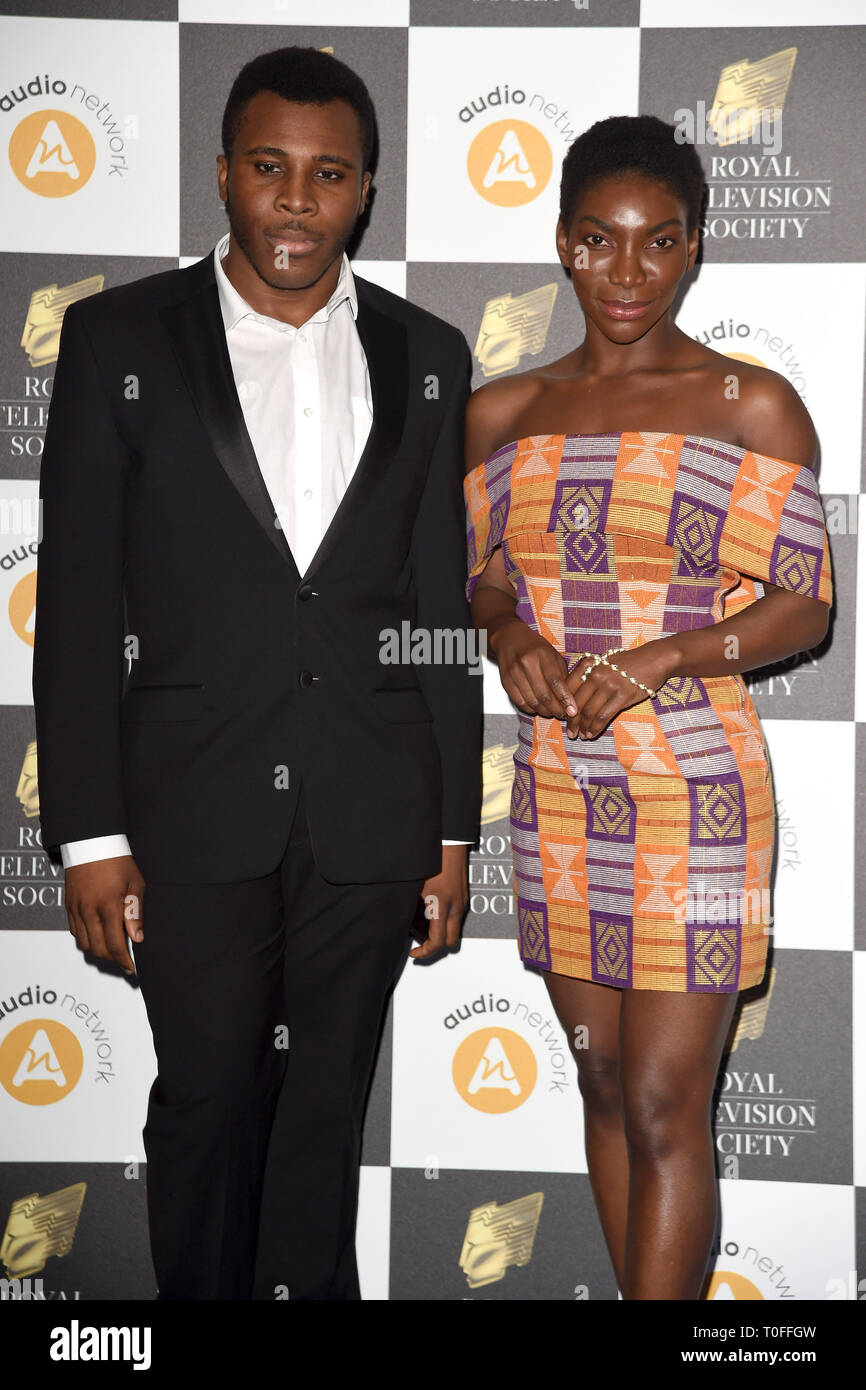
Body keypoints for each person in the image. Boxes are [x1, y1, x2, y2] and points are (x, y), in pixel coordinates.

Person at [32, 45, 481, 1301]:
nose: (296, 200)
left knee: (323, 1117)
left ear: (366, 192)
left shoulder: (429, 354)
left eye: (327, 175)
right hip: (188, 805)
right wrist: (88, 838)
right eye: (270, 169)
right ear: (222, 173)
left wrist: (450, 830)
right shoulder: (121, 336)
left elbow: (437, 613)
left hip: (371, 811)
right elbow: (72, 608)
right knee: (209, 1099)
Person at [463, 115, 832, 1301]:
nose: (626, 273)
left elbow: (802, 605)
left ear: (691, 250)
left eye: (656, 243)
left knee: (670, 1099)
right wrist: (505, 627)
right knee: (604, 1085)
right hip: (560, 790)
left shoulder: (748, 405)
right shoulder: (499, 414)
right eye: (598, 241)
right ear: (563, 243)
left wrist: (670, 652)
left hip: (697, 793)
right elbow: (480, 573)